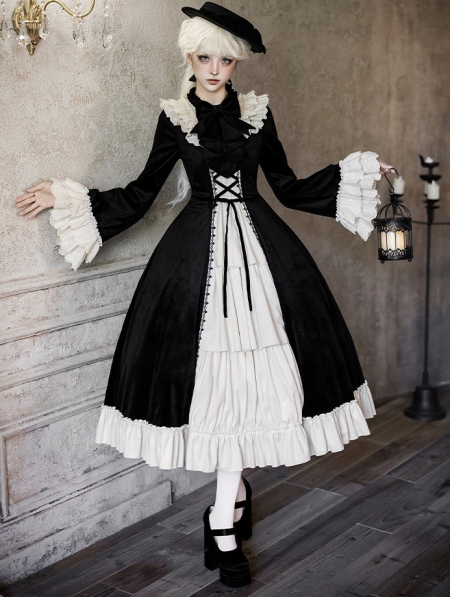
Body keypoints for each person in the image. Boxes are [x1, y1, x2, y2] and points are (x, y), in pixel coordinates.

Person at [16, 2, 395, 588]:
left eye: (225, 60)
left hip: (265, 254)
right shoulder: (175, 116)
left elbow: (289, 187)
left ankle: (224, 514)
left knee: (257, 382)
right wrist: (67, 198)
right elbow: (142, 193)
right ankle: (227, 510)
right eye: (204, 58)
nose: (214, 70)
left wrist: (359, 173)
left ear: (236, 62)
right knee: (216, 385)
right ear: (189, 58)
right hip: (194, 260)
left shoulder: (258, 114)